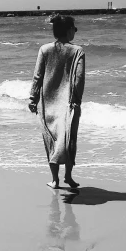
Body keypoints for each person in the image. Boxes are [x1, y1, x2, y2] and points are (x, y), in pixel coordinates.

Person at [29, 14, 85, 189]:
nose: (74, 32)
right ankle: (68, 176)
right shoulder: (77, 51)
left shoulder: (44, 49)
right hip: (69, 103)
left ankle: (55, 180)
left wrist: (33, 98)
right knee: (69, 139)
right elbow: (79, 78)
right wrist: (77, 99)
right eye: (74, 29)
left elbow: (37, 76)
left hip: (48, 102)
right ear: (68, 31)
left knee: (51, 140)